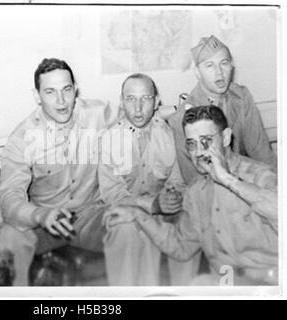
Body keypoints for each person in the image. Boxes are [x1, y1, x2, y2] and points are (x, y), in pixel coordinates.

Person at [106, 105, 278, 285]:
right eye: (191, 144)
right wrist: (138, 215)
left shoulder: (260, 175)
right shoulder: (197, 190)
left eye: (206, 141)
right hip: (225, 283)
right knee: (198, 285)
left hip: (271, 283)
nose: (198, 152)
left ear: (226, 137)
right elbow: (182, 246)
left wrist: (228, 180)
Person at [0, 58, 121, 286]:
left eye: (66, 90)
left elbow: (139, 110)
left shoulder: (97, 112)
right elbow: (9, 198)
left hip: (90, 215)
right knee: (9, 237)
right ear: (37, 96)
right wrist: (40, 215)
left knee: (129, 223)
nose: (61, 101)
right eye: (50, 92)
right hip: (45, 223)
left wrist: (185, 111)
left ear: (76, 90)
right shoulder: (22, 137)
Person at [98, 73, 199, 285]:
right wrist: (149, 206)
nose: (137, 107)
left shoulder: (169, 134)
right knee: (129, 230)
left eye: (145, 99)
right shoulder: (109, 139)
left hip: (162, 209)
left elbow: (177, 182)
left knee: (190, 222)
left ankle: (186, 292)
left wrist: (171, 199)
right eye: (130, 99)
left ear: (156, 102)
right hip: (124, 208)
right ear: (121, 102)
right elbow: (112, 194)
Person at [168, 35, 277, 185]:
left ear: (231, 67)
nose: (219, 72)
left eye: (224, 63)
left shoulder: (241, 97)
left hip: (247, 180)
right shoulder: (182, 117)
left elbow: (261, 152)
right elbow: (195, 181)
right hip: (213, 194)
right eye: (209, 65)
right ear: (197, 72)